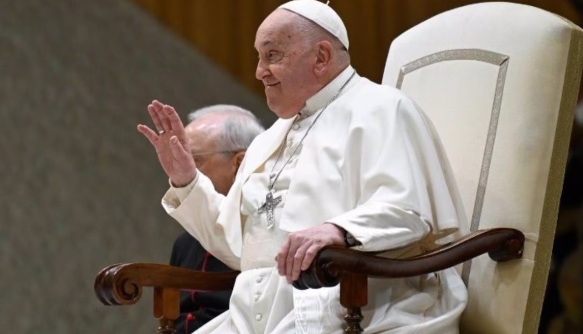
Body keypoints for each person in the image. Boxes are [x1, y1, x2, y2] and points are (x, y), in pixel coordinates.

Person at [137, 1, 468, 333]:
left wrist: (339, 230)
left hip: (353, 305)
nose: (259, 71)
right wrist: (186, 180)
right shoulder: (269, 139)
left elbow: (409, 212)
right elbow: (237, 247)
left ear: (321, 58)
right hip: (254, 316)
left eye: (272, 55)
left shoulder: (383, 109)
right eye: (258, 57)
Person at [167, 105, 265, 333]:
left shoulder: (263, 230)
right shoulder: (184, 243)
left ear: (239, 163)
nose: (183, 170)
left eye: (194, 160)